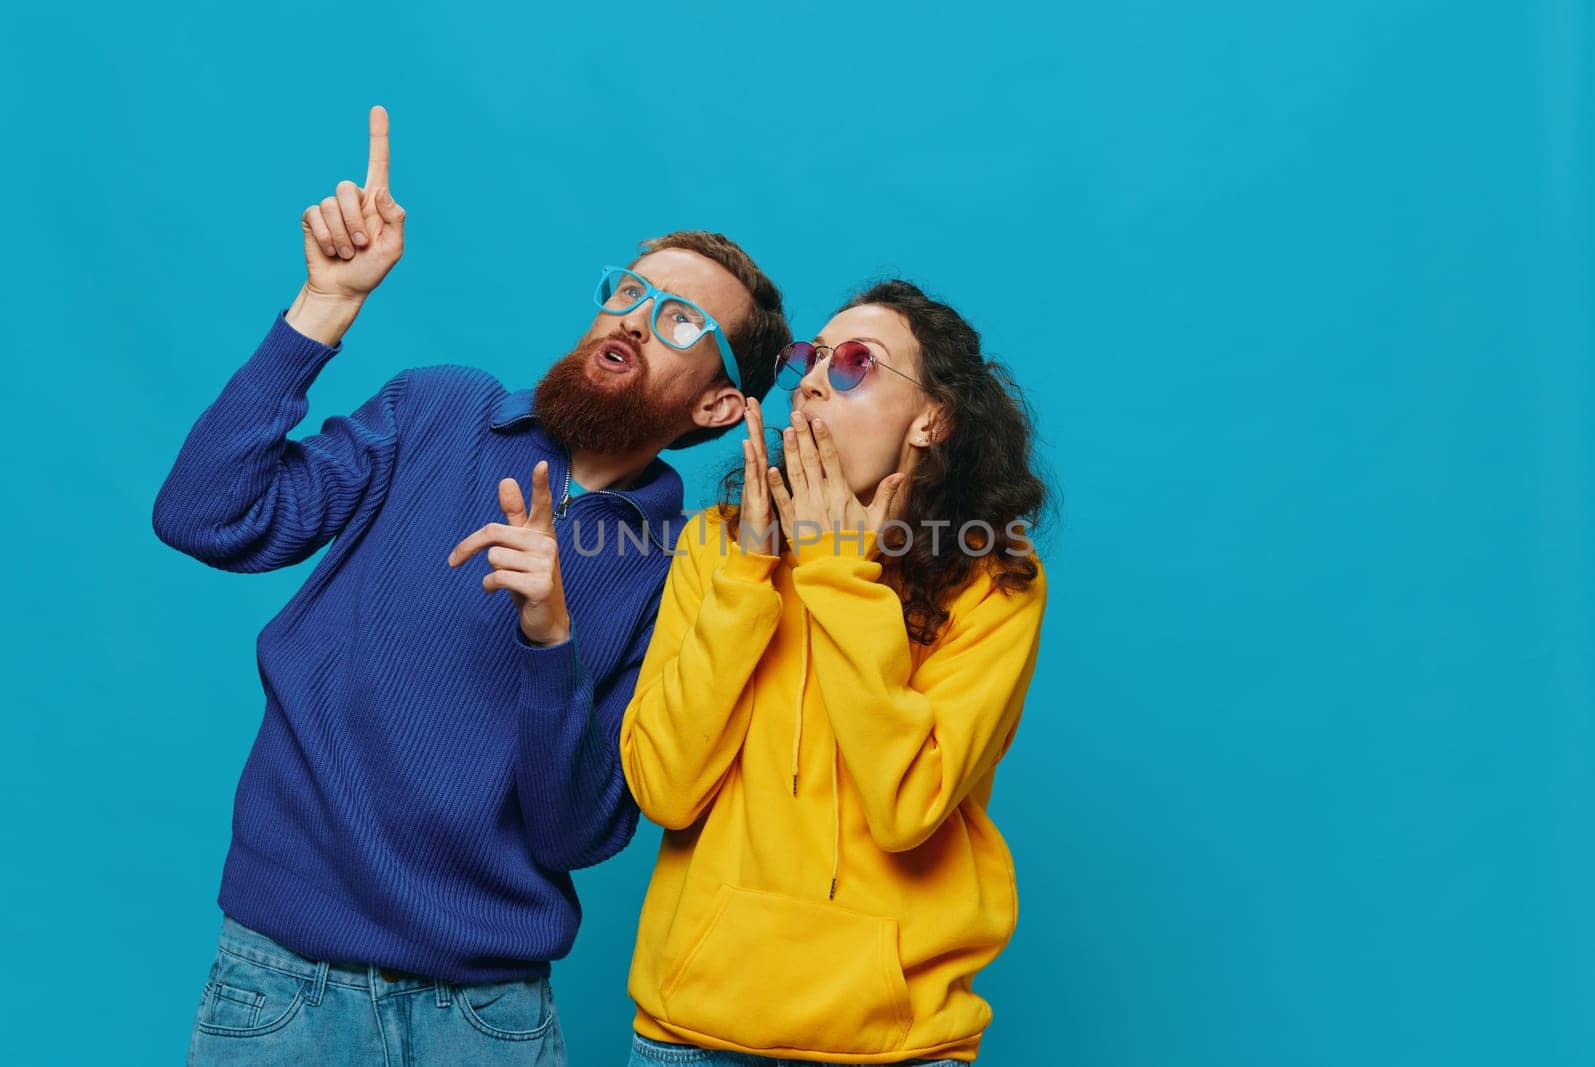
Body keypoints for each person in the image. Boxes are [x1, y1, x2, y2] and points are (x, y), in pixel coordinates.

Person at [151, 105, 789, 1066]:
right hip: (281, 983)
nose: (631, 319)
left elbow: (580, 828)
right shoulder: (437, 411)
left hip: (487, 1016)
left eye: (678, 319)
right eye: (628, 292)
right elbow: (206, 514)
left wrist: (551, 634)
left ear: (719, 403)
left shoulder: (681, 570)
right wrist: (322, 307)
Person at [619, 280, 1050, 1065]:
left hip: (899, 1043)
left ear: (933, 417)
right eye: (809, 359)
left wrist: (838, 574)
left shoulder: (995, 579)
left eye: (854, 362)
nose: (813, 379)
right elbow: (664, 788)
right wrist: (753, 572)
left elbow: (906, 806)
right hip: (696, 1030)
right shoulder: (718, 546)